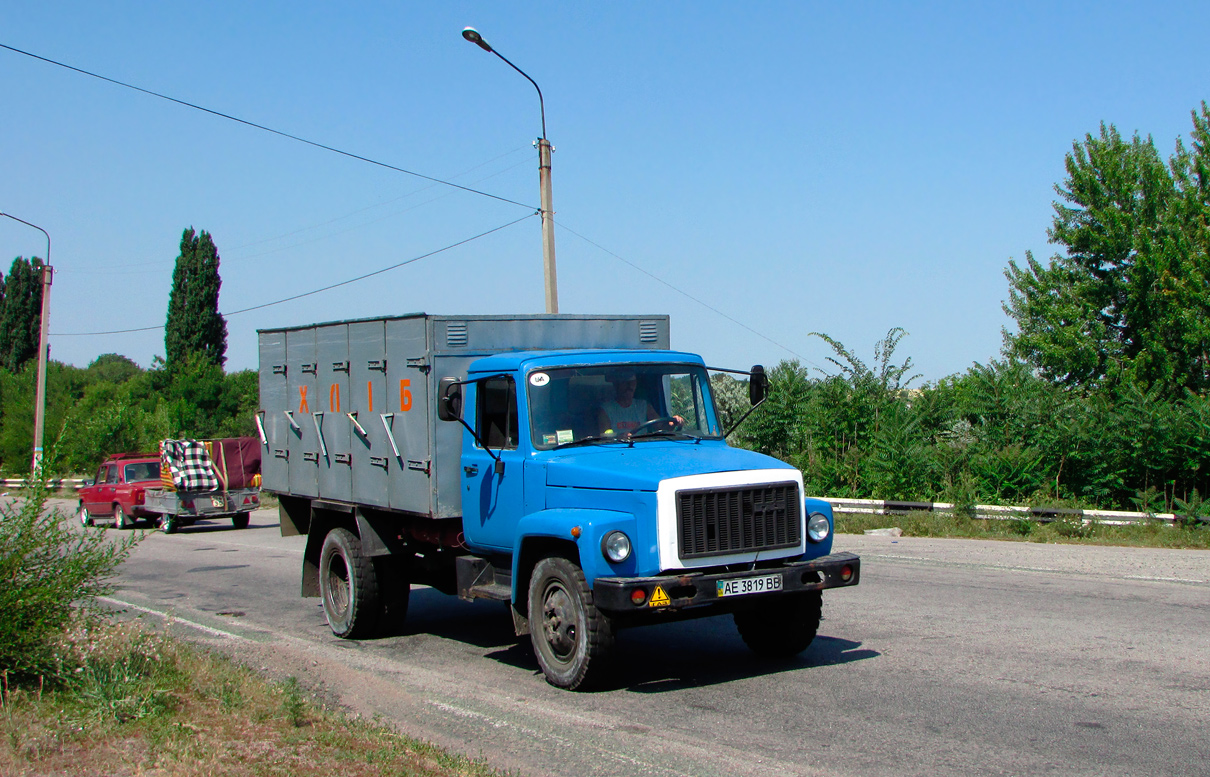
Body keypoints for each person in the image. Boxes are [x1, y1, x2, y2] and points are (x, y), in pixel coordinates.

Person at [597, 370, 682, 435]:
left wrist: (674, 423)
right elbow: (605, 437)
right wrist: (618, 438)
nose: (629, 387)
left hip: (642, 446)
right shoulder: (606, 409)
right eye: (625, 383)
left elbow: (661, 427)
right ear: (616, 385)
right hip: (619, 449)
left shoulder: (643, 405)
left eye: (632, 383)